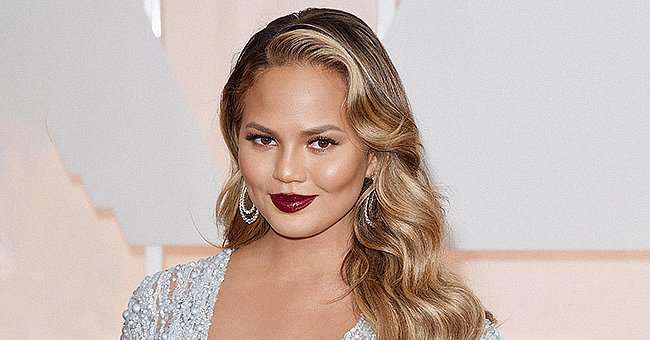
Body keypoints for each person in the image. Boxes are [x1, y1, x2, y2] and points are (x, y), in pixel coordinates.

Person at [121, 7, 503, 340]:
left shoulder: (437, 325)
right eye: (264, 140)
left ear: (373, 153)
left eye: (320, 143)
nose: (287, 171)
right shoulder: (163, 307)